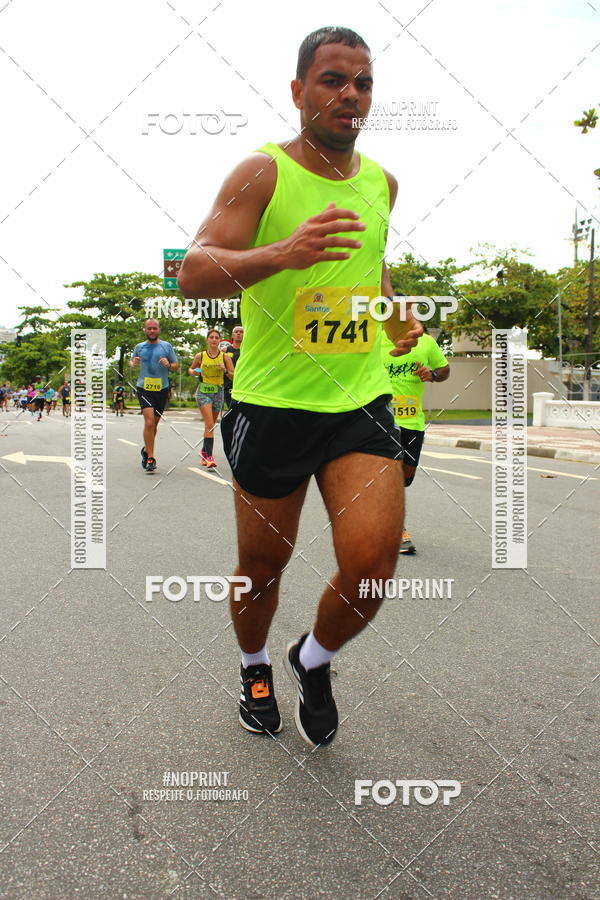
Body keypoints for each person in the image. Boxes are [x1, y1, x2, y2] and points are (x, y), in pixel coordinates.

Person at [178, 26, 422, 747]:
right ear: (298, 91)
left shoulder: (383, 184)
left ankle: (311, 658)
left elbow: (368, 265)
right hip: (272, 404)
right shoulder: (263, 172)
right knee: (263, 566)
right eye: (333, 80)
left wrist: (393, 312)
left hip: (359, 401)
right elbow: (193, 271)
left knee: (372, 567)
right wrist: (281, 253)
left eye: (363, 82)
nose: (351, 94)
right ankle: (253, 665)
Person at [381, 329, 450, 553]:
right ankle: (396, 529)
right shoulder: (374, 339)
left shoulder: (426, 342)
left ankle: (376, 511)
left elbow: (445, 369)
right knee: (389, 474)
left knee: (406, 476)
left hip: (412, 421)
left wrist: (433, 375)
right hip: (381, 419)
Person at [130, 319, 178, 473]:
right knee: (149, 422)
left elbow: (175, 366)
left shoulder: (166, 346)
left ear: (158, 330)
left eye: (154, 328)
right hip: (144, 388)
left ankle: (146, 449)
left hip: (162, 389)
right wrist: (134, 363)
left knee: (154, 425)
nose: (152, 331)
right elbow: (132, 363)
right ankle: (150, 457)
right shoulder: (139, 347)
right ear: (145, 330)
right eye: (149, 328)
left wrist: (168, 364)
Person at [188, 329, 234, 468]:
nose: (214, 339)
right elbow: (191, 369)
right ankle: (209, 457)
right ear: (207, 340)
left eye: (216, 337)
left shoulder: (225, 357)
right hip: (203, 392)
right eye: (211, 337)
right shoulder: (200, 356)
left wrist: (225, 370)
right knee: (209, 425)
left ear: (219, 340)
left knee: (211, 425)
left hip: (218, 391)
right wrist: (195, 371)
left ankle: (203, 451)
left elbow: (234, 376)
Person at [222, 326, 244, 409]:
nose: (238, 333)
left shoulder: (247, 350)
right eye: (236, 331)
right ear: (232, 335)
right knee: (231, 409)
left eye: (241, 332)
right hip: (228, 385)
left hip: (242, 385)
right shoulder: (225, 350)